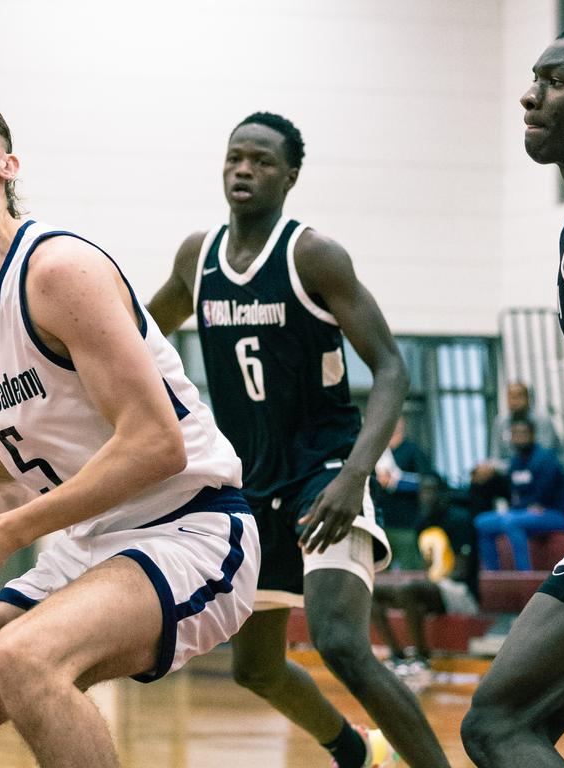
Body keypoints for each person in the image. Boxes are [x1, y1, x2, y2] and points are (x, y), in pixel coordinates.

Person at [0, 63, 261, 768]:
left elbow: (155, 445)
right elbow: (5, 481)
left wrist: (5, 535)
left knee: (26, 656)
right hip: (85, 547)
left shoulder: (56, 269)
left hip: (193, 525)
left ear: (6, 164)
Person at [147, 112, 448, 767]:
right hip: (251, 482)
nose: (243, 170)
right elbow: (141, 337)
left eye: (259, 160)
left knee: (340, 641)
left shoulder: (312, 254)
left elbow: (391, 367)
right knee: (255, 669)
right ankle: (357, 754)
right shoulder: (198, 259)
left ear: (290, 175)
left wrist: (354, 475)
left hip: (324, 469)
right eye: (234, 157)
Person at [462, 26, 564, 767]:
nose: (529, 93)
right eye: (532, 75)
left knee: (499, 724)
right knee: (498, 723)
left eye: (555, 80)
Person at [371, 475, 480, 690]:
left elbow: (460, 571)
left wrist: (423, 582)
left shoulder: (460, 519)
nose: (426, 497)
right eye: (422, 492)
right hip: (435, 589)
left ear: (444, 494)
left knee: (409, 589)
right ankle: (398, 657)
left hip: (461, 592)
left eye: (431, 491)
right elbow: (427, 567)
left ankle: (422, 658)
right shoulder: (422, 523)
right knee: (372, 591)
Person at [473, 418, 564, 571]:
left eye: (523, 433)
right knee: (482, 522)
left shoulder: (545, 459)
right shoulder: (515, 462)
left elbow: (543, 494)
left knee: (512, 521)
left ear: (533, 435)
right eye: (515, 434)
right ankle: (494, 575)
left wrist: (525, 507)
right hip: (525, 512)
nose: (519, 437)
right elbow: (512, 493)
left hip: (555, 513)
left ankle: (524, 574)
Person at [468, 381, 564, 518]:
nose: (515, 401)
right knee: (480, 482)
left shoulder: (541, 420)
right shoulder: (501, 422)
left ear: (528, 399)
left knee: (528, 476)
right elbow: (495, 457)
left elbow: (543, 459)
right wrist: (488, 468)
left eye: (519, 396)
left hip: (541, 473)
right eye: (511, 396)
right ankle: (483, 529)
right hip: (513, 471)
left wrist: (507, 467)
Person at [375, 417, 435, 570]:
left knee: (411, 570)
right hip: (380, 523)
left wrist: (396, 482)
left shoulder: (412, 451)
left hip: (405, 524)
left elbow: (427, 482)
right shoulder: (376, 451)